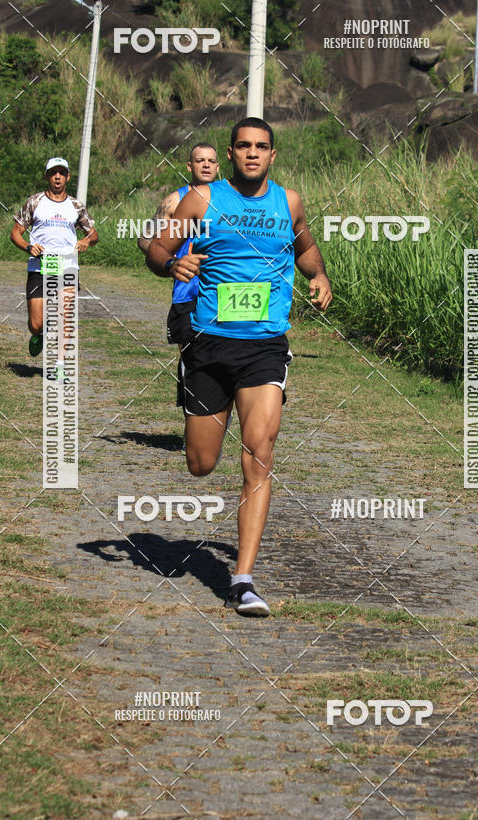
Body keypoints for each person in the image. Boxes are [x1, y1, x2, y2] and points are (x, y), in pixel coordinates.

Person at [146, 118, 332, 617]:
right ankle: (193, 397)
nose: (253, 153)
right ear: (231, 153)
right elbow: (156, 245)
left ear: (273, 154)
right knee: (201, 463)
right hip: (208, 345)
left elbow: (306, 247)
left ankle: (243, 579)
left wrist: (319, 276)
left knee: (260, 454)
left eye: (262, 147)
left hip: (264, 346)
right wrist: (171, 264)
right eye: (244, 146)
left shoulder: (289, 202)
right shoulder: (203, 200)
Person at [10, 158, 98, 360]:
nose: (57, 177)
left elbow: (94, 235)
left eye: (61, 173)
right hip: (39, 267)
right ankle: (39, 334)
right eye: (53, 173)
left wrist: (86, 241)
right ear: (47, 176)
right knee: (36, 323)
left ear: (67, 177)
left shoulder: (76, 206)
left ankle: (59, 365)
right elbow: (15, 233)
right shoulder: (34, 202)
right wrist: (28, 247)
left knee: (65, 317)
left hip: (67, 266)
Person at [138, 143, 219, 347]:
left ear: (218, 167)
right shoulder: (175, 200)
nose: (206, 165)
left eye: (211, 161)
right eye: (200, 161)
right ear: (190, 166)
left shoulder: (229, 198)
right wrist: (172, 262)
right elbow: (145, 239)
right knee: (191, 358)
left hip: (223, 290)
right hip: (188, 290)